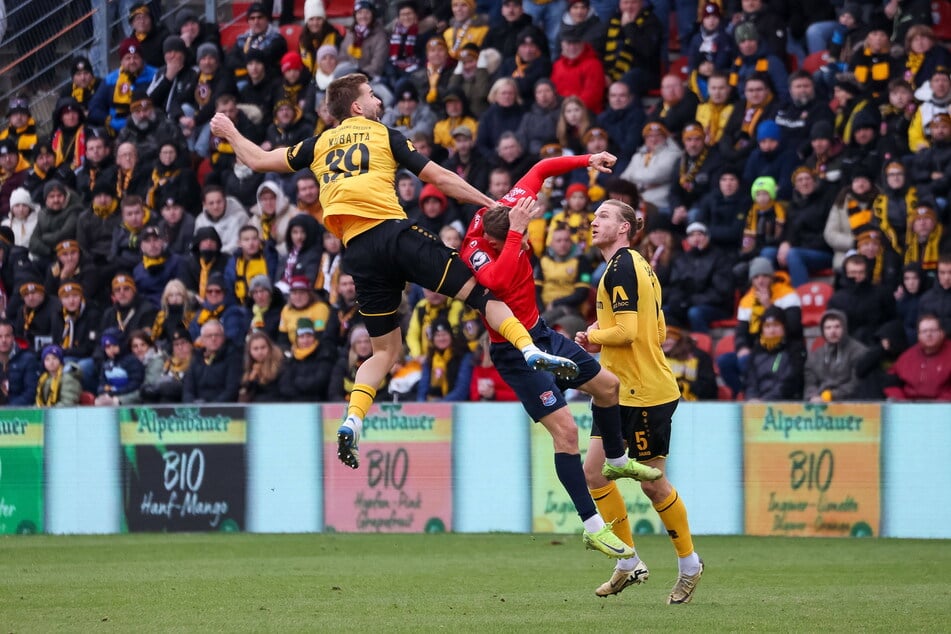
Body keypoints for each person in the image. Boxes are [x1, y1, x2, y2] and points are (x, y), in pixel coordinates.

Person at [210, 72, 581, 469]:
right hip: (394, 233)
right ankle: (531, 350)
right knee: (481, 295)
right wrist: (492, 205)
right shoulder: (382, 134)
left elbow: (257, 160)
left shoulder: (315, 145)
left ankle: (353, 419)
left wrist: (229, 130)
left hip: (358, 254)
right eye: (371, 95)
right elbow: (439, 177)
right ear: (356, 106)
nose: (378, 101)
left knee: (385, 350)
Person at [461, 154, 663, 560]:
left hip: (542, 332)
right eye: (506, 242)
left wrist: (590, 160)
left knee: (608, 388)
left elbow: (541, 169)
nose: (513, 244)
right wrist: (515, 235)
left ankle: (618, 460)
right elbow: (496, 282)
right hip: (513, 350)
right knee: (567, 432)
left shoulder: (512, 203)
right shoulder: (474, 249)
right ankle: (592, 527)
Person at [575, 198, 703, 603]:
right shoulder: (637, 267)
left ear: (626, 227)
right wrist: (605, 330)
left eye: (605, 216)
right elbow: (657, 330)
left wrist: (591, 337)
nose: (594, 222)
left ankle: (689, 565)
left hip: (646, 393)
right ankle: (628, 562)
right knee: (594, 473)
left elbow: (629, 332)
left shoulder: (623, 267)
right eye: (594, 216)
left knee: (653, 484)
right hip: (617, 391)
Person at [883, 314, 951, 400]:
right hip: (910, 406)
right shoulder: (908, 356)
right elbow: (891, 381)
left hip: (945, 407)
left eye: (933, 330)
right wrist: (901, 400)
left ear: (942, 333)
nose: (928, 334)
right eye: (924, 331)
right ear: (918, 335)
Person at [0, 319, 39, 406]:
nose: (3, 340)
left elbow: (31, 392)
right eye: (0, 336)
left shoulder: (28, 359)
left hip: (20, 414)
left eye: (7, 336)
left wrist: (8, 409)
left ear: (13, 337)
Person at [238, 330, 285, 402]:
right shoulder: (248, 368)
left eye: (263, 347)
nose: (260, 352)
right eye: (255, 349)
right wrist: (250, 381)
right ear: (249, 351)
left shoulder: (280, 365)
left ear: (269, 348)